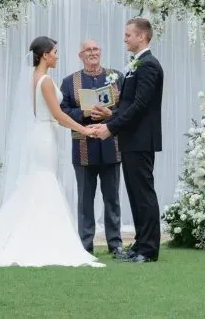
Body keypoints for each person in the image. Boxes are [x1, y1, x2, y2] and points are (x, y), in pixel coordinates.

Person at [0, 36, 103, 267]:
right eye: (54, 52)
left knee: (38, 182)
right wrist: (85, 130)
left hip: (41, 133)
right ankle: (40, 240)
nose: (57, 56)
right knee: (44, 181)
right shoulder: (45, 81)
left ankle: (38, 236)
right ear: (44, 55)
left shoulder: (33, 78)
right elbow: (58, 115)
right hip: (44, 136)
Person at [91, 18, 164, 263]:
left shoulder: (149, 65)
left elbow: (141, 105)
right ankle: (140, 243)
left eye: (128, 35)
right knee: (134, 193)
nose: (125, 39)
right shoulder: (137, 64)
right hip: (131, 139)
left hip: (141, 140)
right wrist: (110, 116)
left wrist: (110, 128)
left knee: (144, 193)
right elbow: (128, 104)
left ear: (141, 37)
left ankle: (149, 249)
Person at [59, 40, 123, 256]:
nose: (93, 53)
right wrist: (84, 113)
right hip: (83, 148)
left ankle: (115, 244)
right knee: (85, 199)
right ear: (80, 55)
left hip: (111, 146)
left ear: (100, 52)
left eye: (96, 49)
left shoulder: (117, 77)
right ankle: (85, 245)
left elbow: (127, 107)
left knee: (112, 198)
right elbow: (62, 112)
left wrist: (110, 114)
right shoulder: (69, 82)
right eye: (88, 50)